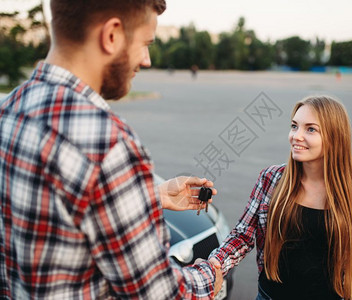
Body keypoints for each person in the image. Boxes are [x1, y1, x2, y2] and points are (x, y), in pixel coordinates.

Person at [0, 0, 223, 299]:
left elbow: (51, 216)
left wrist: (149, 197)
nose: (146, 60)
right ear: (112, 35)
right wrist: (208, 279)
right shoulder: (108, 143)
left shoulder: (10, 109)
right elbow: (156, 292)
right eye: (145, 44)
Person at [209, 96, 352, 299]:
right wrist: (216, 265)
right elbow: (243, 235)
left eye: (310, 129)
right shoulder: (271, 179)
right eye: (294, 126)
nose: (296, 136)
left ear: (335, 137)